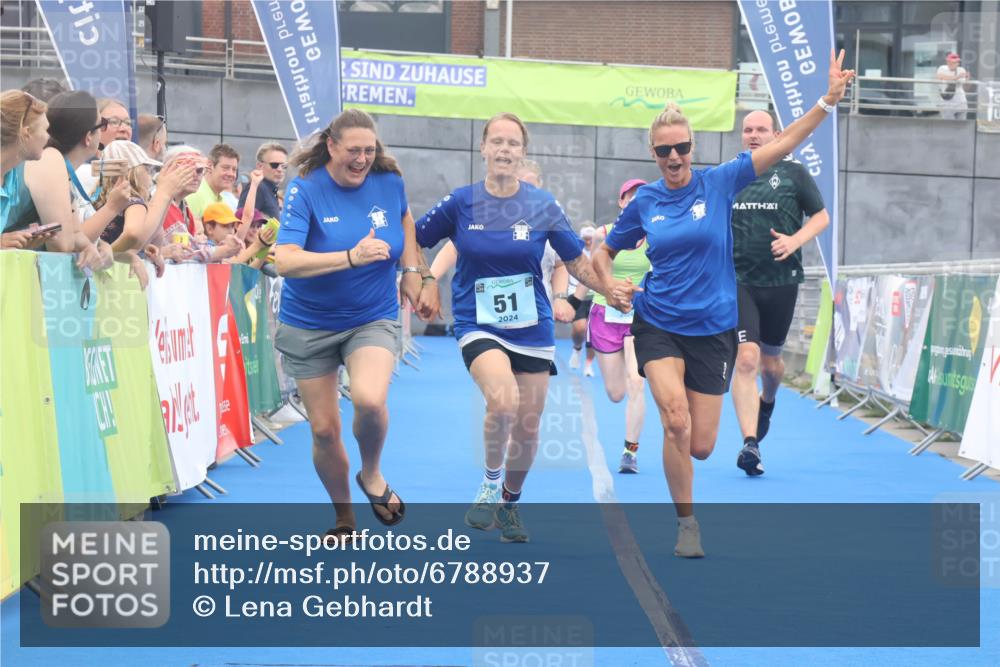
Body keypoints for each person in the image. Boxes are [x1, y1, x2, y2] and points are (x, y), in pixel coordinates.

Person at [595, 51, 854, 558]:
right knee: (674, 419)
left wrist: (827, 101)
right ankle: (686, 524)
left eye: (682, 148)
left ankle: (692, 460)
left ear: (692, 148)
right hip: (658, 322)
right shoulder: (645, 201)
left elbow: (784, 143)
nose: (674, 157)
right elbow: (602, 253)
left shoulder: (719, 181)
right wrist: (608, 286)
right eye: (665, 150)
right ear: (653, 153)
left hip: (713, 329)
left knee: (701, 444)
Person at [416, 112, 605, 543]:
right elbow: (418, 235)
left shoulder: (543, 206)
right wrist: (423, 278)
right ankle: (488, 485)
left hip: (532, 326)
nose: (504, 149)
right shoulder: (462, 202)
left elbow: (573, 261)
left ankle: (509, 503)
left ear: (523, 152)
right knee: (503, 403)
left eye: (513, 143)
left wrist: (606, 290)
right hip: (478, 323)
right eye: (497, 141)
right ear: (483, 147)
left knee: (528, 425)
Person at [273, 109, 438, 543]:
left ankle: (372, 473)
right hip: (309, 323)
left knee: (369, 398)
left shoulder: (388, 180)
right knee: (324, 430)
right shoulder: (305, 188)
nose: (362, 159)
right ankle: (344, 518)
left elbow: (405, 219)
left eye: (369, 150)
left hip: (371, 315)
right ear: (331, 146)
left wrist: (412, 271)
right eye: (353, 151)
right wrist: (350, 257)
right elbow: (285, 260)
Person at [731, 111, 829, 477]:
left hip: (781, 283)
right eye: (748, 130)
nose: (753, 135)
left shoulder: (794, 174)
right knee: (746, 359)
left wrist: (794, 240)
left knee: (771, 365)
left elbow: (821, 217)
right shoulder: (733, 173)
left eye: (761, 129)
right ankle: (750, 444)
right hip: (739, 281)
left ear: (776, 134)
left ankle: (768, 400)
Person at [570, 179, 650, 474]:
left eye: (642, 197)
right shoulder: (603, 235)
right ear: (621, 202)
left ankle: (630, 451)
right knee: (616, 393)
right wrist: (573, 302)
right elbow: (588, 273)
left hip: (638, 317)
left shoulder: (655, 235)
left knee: (636, 382)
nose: (637, 202)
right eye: (631, 197)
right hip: (605, 315)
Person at [1, 90, 104, 271]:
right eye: (45, 130)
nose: (49, 137)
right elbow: (64, 244)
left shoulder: (10, 179)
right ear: (26, 133)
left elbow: (72, 235)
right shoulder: (46, 162)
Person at [74, 98, 133, 195]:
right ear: (94, 128)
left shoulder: (139, 172)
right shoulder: (79, 170)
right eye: (114, 122)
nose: (124, 129)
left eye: (128, 123)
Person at [567, 224, 597, 376]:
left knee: (592, 333)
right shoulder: (574, 252)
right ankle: (577, 348)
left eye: (591, 239)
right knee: (580, 328)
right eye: (586, 238)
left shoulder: (601, 252)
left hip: (596, 296)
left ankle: (588, 365)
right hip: (576, 295)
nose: (588, 241)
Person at [186, 143, 240, 223]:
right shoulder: (195, 194)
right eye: (225, 168)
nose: (231, 174)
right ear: (210, 165)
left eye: (234, 169)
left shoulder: (222, 199)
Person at [237, 142, 287, 218]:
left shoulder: (270, 190)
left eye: (284, 166)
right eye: (274, 165)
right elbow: (241, 220)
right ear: (260, 166)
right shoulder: (257, 188)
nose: (280, 169)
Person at [936, 52, 971, 120]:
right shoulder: (942, 68)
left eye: (954, 62)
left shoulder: (961, 70)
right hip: (947, 103)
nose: (951, 64)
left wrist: (968, 79)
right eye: (949, 62)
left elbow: (966, 87)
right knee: (949, 124)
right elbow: (940, 77)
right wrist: (957, 76)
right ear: (947, 61)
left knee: (962, 124)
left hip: (961, 102)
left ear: (958, 63)